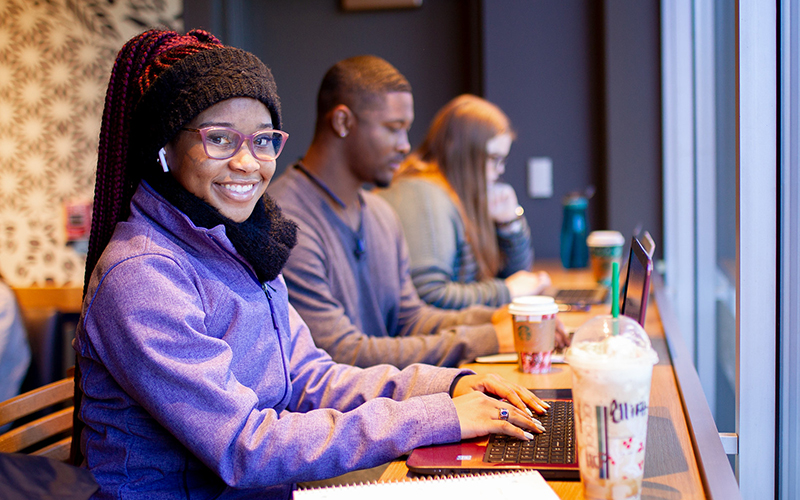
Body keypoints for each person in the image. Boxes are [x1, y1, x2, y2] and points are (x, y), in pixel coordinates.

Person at [72, 30, 548, 499]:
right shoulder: (143, 276)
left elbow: (310, 377)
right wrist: (438, 417)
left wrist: (453, 385)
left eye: (262, 141)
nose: (247, 162)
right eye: (219, 138)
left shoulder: (242, 242)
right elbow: (246, 447)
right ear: (163, 148)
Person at [269, 56, 516, 369]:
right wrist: (489, 338)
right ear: (343, 122)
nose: (405, 146)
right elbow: (341, 353)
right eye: (393, 129)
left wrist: (494, 318)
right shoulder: (284, 220)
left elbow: (410, 318)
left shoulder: (381, 213)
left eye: (406, 130)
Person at [379, 94, 551, 310]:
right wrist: (507, 291)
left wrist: (509, 224)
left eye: (502, 160)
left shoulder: (459, 194)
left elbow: (518, 275)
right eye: (494, 159)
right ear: (462, 152)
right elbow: (428, 296)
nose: (500, 171)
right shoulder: (424, 196)